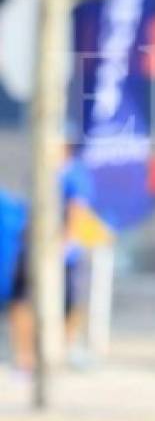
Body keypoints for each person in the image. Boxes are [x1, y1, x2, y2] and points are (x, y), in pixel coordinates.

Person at [7, 147, 105, 372]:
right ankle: (25, 356)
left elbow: (77, 211)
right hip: (33, 246)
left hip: (63, 251)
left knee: (72, 302)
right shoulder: (42, 171)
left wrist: (64, 245)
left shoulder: (74, 175)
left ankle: (58, 351)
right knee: (23, 299)